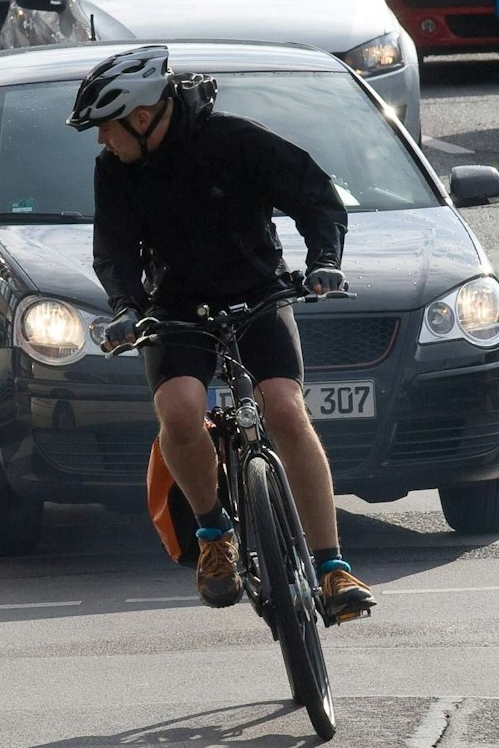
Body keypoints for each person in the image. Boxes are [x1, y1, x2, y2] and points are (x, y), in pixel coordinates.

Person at [71, 45, 377, 620]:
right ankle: (214, 534)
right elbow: (113, 250)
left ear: (142, 118)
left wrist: (323, 261)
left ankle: (333, 569)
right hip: (177, 306)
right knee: (181, 411)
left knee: (285, 409)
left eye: (106, 128)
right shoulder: (115, 170)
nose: (100, 141)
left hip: (257, 291)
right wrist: (127, 307)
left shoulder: (234, 140)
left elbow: (316, 196)